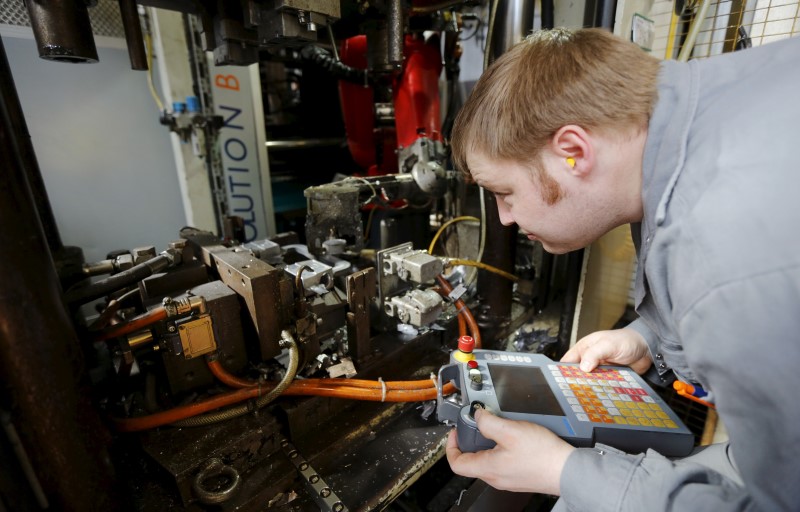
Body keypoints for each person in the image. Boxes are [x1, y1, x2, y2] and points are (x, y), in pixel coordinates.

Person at [445, 27, 800, 511]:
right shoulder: (705, 113)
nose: (504, 218)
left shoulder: (716, 254)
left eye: (505, 193)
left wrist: (559, 470)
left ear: (575, 151)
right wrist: (649, 337)